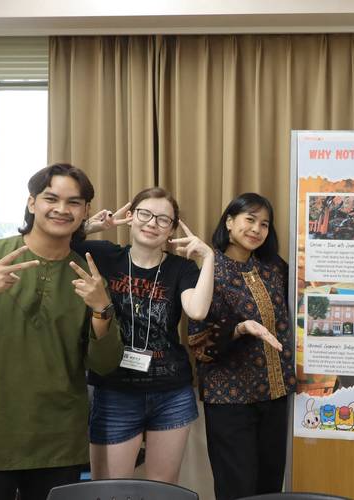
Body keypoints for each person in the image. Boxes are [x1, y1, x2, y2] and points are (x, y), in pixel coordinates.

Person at [0, 163, 123, 500]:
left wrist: (102, 308)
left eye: (73, 202)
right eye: (51, 198)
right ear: (32, 202)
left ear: (86, 211)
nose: (62, 209)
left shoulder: (89, 278)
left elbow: (105, 364)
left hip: (58, 438)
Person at [76, 187, 214, 483]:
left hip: (170, 392)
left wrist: (209, 256)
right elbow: (60, 241)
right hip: (114, 390)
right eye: (145, 214)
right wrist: (92, 227)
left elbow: (198, 310)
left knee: (162, 490)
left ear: (171, 230)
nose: (153, 223)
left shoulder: (181, 268)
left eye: (163, 219)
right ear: (130, 216)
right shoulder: (105, 256)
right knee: (109, 490)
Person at [188, 192, 295, 500]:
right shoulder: (210, 270)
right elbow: (199, 343)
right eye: (250, 219)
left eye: (264, 224)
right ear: (229, 222)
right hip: (230, 400)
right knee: (237, 488)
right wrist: (239, 329)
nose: (257, 229)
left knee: (270, 487)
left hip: (275, 394)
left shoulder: (274, 268)